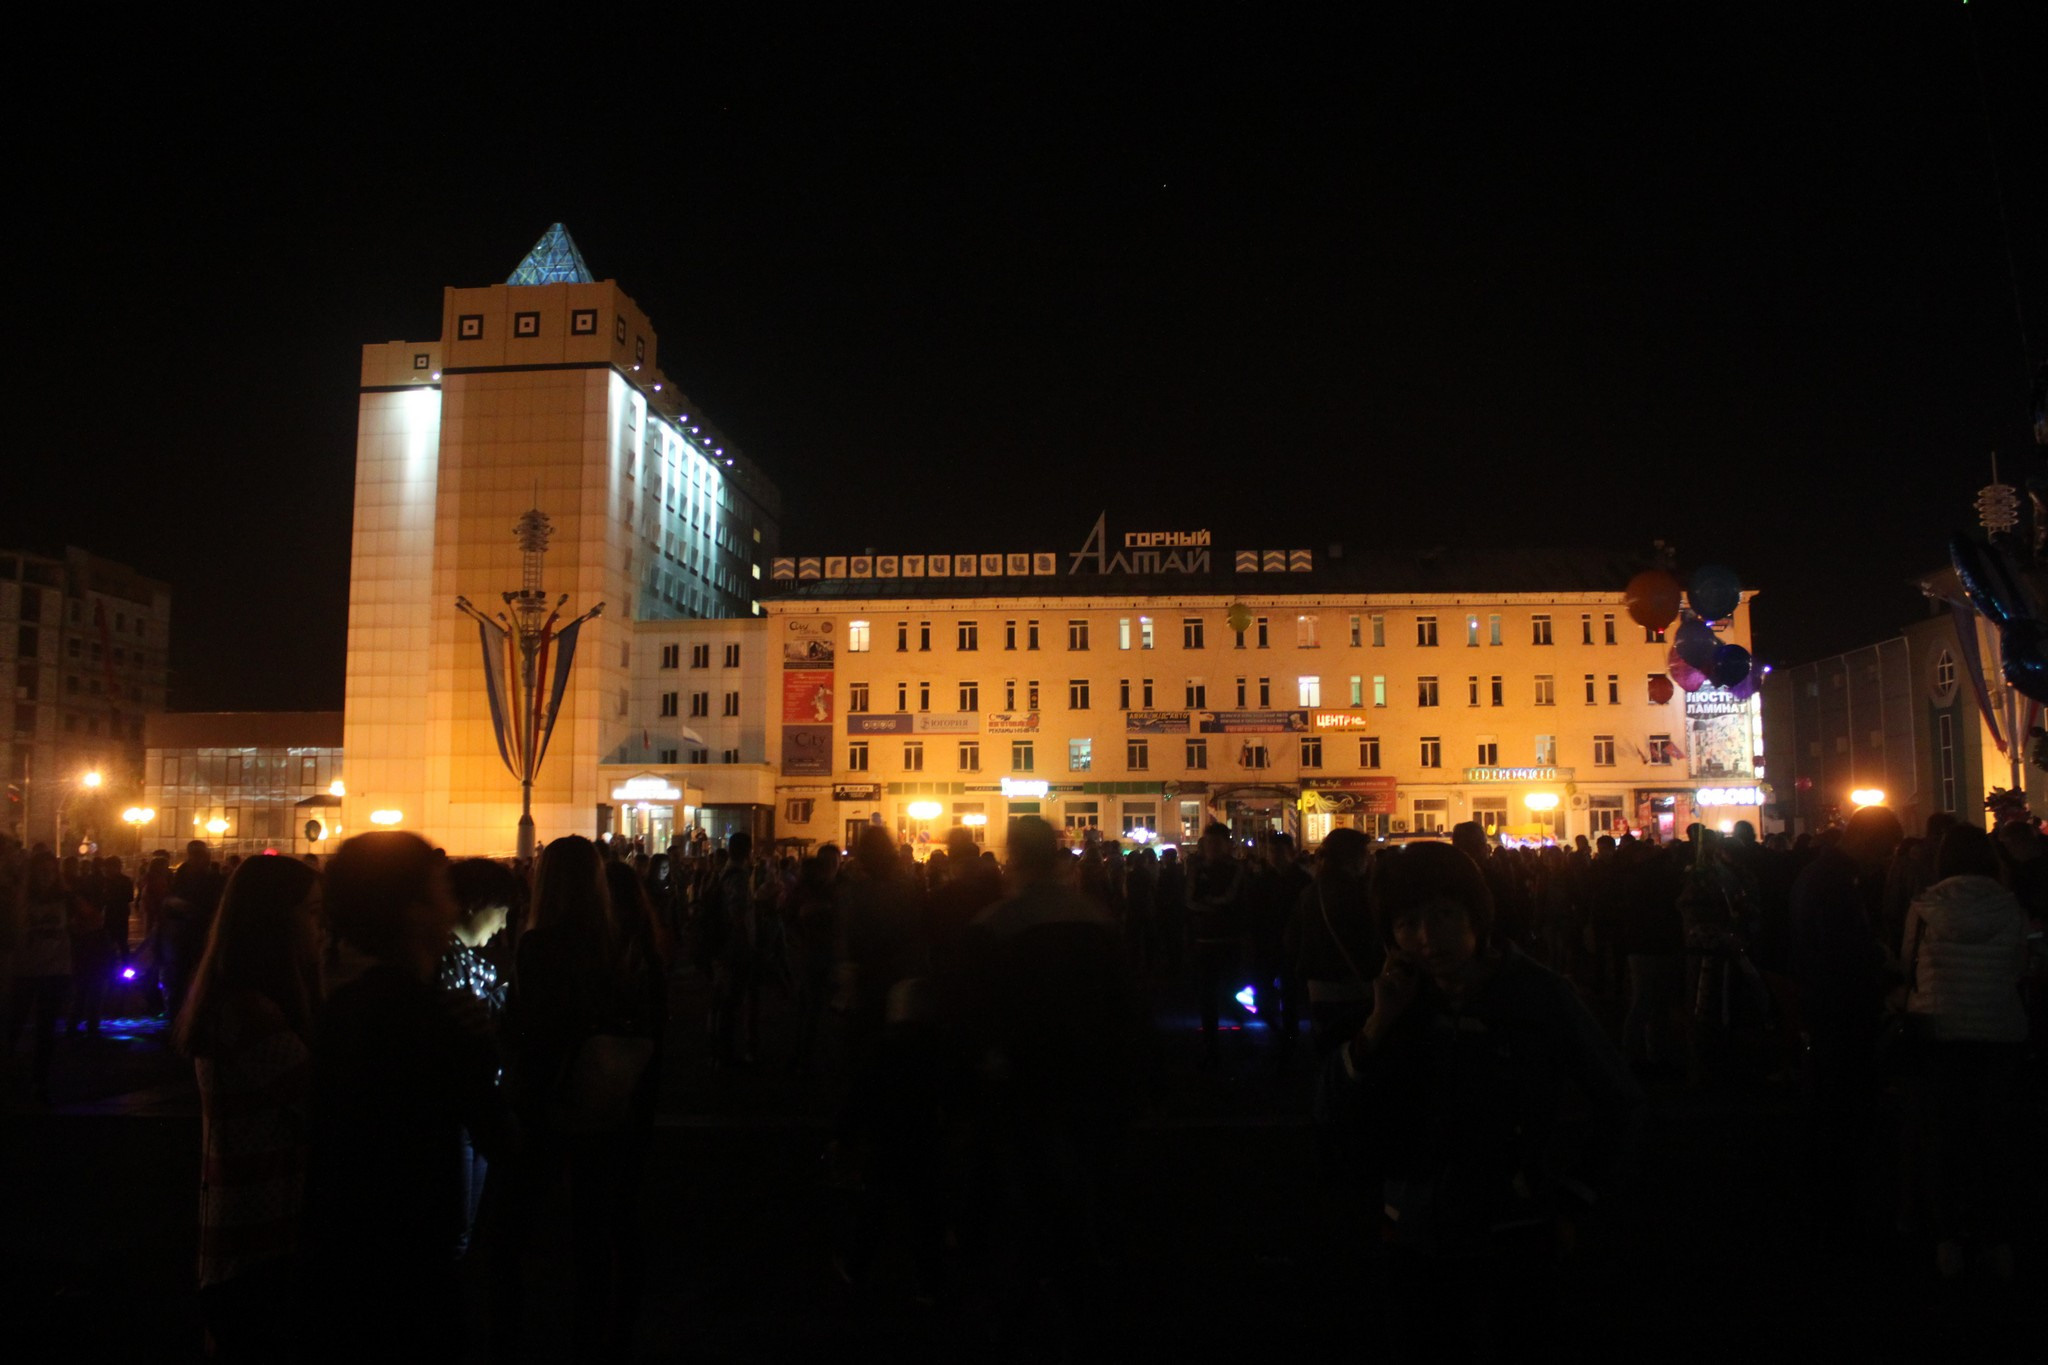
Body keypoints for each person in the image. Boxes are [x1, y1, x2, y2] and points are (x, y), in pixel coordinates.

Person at [1327, 841, 1641, 1361]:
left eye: (1444, 916)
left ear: (1478, 914)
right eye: (1407, 923)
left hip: (1513, 1235)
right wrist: (1377, 1026)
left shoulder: (1538, 995)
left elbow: (1621, 1102)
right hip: (1413, 1235)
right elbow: (1333, 1110)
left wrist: (1572, 1198)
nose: (1427, 940)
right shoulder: (1398, 999)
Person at [301, 833, 504, 1360]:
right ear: (411, 910)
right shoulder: (434, 1019)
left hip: (344, 1264)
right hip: (414, 1266)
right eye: (440, 891)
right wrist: (480, 1051)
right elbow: (500, 1135)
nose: (453, 906)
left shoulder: (341, 1009)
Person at [492, 835, 655, 1362]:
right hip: (604, 1094)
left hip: (550, 1098)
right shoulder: (614, 939)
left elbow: (532, 1031)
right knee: (595, 1226)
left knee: (512, 1231)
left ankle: (512, 1334)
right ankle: (599, 1333)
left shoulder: (539, 946)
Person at [175, 856, 322, 1362]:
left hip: (245, 1235)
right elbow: (320, 1102)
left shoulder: (238, 1003)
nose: (319, 927)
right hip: (259, 1240)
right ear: (275, 921)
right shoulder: (248, 1014)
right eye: (311, 912)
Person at [1900, 825, 2029, 1281]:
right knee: (1993, 1139)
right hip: (1998, 1030)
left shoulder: (1925, 906)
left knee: (1943, 1138)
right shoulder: (2010, 906)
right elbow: (2019, 967)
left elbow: (1907, 965)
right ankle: (1997, 1238)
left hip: (1940, 1030)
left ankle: (1947, 1239)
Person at [442, 857, 519, 1254]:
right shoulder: (445, 963)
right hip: (462, 1116)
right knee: (458, 1225)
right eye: (502, 910)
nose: (504, 924)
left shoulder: (456, 959)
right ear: (474, 903)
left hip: (467, 1116)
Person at [6, 849, 74, 1104]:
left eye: (50, 871)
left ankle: (40, 1080)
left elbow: (92, 920)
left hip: (56, 970)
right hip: (27, 969)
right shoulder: (21, 897)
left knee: (46, 1028)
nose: (46, 876)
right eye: (41, 872)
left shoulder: (65, 898)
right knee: (14, 1023)